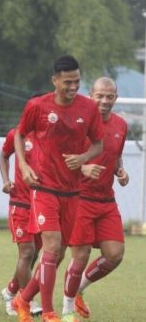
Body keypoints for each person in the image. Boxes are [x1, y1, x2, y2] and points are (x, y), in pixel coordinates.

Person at [11, 55, 103, 322]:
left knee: (59, 252)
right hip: (44, 188)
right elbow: (19, 133)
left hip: (73, 191)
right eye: (67, 82)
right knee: (52, 247)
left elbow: (98, 143)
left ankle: (23, 298)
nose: (73, 86)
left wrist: (84, 158)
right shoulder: (37, 106)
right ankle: (49, 313)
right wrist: (24, 166)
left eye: (77, 81)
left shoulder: (88, 108)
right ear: (55, 80)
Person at [62, 77, 128, 321]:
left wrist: (120, 171)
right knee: (80, 257)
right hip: (79, 198)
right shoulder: (77, 123)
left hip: (106, 201)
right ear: (90, 96)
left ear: (115, 98)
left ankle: (79, 289)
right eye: (100, 95)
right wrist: (82, 168)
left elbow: (116, 156)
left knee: (115, 254)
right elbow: (59, 158)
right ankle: (67, 308)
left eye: (109, 96)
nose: (104, 101)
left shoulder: (121, 125)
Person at [0, 127, 43, 316]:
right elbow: (3, 156)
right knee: (27, 252)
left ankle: (10, 291)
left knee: (34, 254)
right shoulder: (16, 134)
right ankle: (27, 300)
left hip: (43, 203)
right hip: (21, 203)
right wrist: (6, 180)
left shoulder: (52, 134)